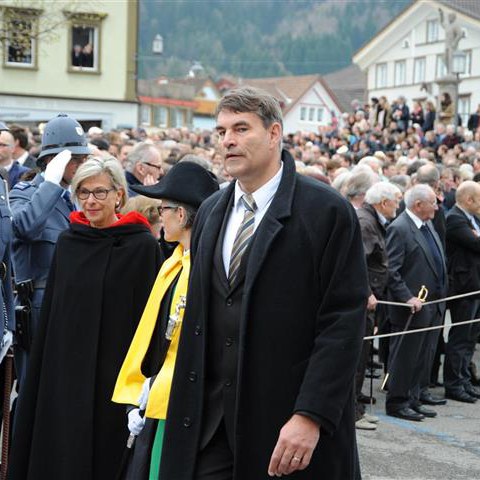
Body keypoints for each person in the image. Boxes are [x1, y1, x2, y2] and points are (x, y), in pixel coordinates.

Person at [158, 87, 368, 479]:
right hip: (210, 429)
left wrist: (311, 415)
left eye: (241, 128)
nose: (228, 141)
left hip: (284, 425)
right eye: (221, 132)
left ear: (274, 134)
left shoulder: (325, 212)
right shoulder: (210, 212)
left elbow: (343, 323)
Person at [8, 157, 162, 480]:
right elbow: (53, 313)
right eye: (84, 192)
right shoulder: (69, 241)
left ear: (119, 195)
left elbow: (149, 320)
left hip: (116, 375)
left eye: (99, 192)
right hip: (67, 372)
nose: (90, 201)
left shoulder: (142, 246)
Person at [113, 161, 219, 479]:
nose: (160, 217)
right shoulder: (175, 261)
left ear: (182, 215)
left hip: (178, 400)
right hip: (158, 391)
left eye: (163, 209)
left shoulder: (201, 268)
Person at [9, 113, 90, 388]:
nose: (81, 165)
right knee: (32, 389)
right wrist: (50, 185)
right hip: (37, 312)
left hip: (71, 307)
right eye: (75, 159)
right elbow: (24, 228)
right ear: (54, 160)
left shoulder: (78, 199)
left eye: (83, 159)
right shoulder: (27, 192)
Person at [385, 184, 448, 421]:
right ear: (418, 204)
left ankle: (413, 397)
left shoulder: (427, 224)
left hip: (432, 304)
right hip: (412, 307)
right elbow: (392, 270)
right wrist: (406, 296)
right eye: (433, 201)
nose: (437, 206)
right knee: (405, 357)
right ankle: (398, 402)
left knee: (421, 356)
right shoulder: (400, 228)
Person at [355, 182, 402, 430]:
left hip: (371, 301)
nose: (398, 204)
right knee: (357, 357)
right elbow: (357, 262)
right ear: (383, 202)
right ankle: (352, 412)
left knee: (362, 357)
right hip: (364, 301)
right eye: (395, 199)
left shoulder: (372, 220)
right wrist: (367, 293)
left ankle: (357, 407)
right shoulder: (365, 222)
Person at [444, 181, 480, 403]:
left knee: (470, 338)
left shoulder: (472, 219)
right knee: (460, 338)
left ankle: (464, 380)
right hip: (464, 287)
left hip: (475, 287)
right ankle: (454, 384)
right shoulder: (456, 219)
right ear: (470, 199)